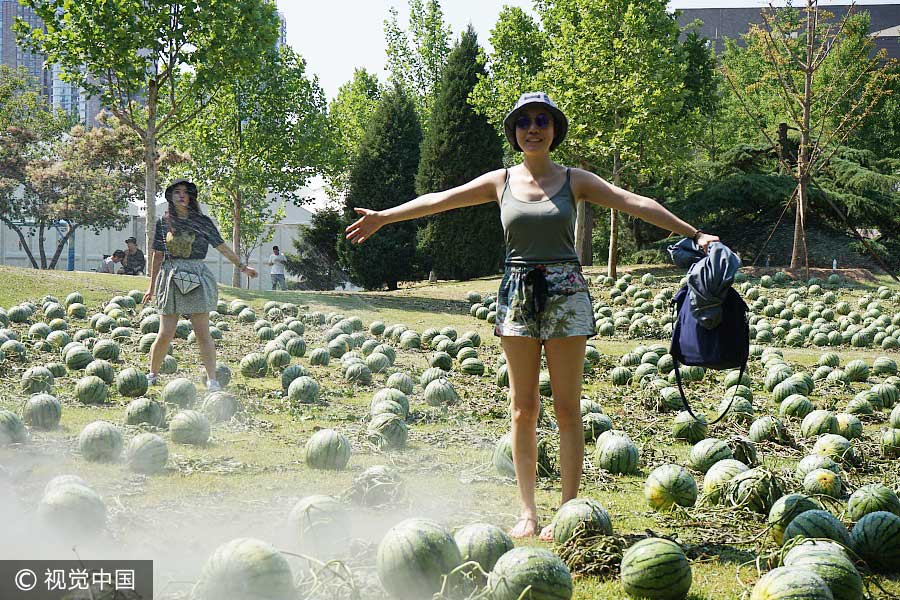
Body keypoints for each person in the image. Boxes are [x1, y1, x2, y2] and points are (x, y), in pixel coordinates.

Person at [345, 92, 719, 539]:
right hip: (517, 293)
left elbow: (633, 201)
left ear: (554, 129)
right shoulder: (499, 181)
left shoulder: (574, 179)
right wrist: (385, 217)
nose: (533, 127)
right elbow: (438, 200)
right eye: (524, 122)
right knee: (523, 407)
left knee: (567, 407)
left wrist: (695, 234)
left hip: (566, 293)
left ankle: (568, 508)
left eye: (542, 120)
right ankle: (526, 511)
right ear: (516, 134)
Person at [143, 179, 257, 391]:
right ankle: (152, 374)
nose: (181, 196)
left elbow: (221, 247)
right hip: (170, 276)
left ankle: (212, 380)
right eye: (177, 192)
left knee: (203, 333)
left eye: (186, 192)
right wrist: (151, 287)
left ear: (192, 197)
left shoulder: (203, 222)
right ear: (170, 197)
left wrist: (243, 267)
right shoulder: (163, 222)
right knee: (166, 332)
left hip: (197, 274)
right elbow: (157, 256)